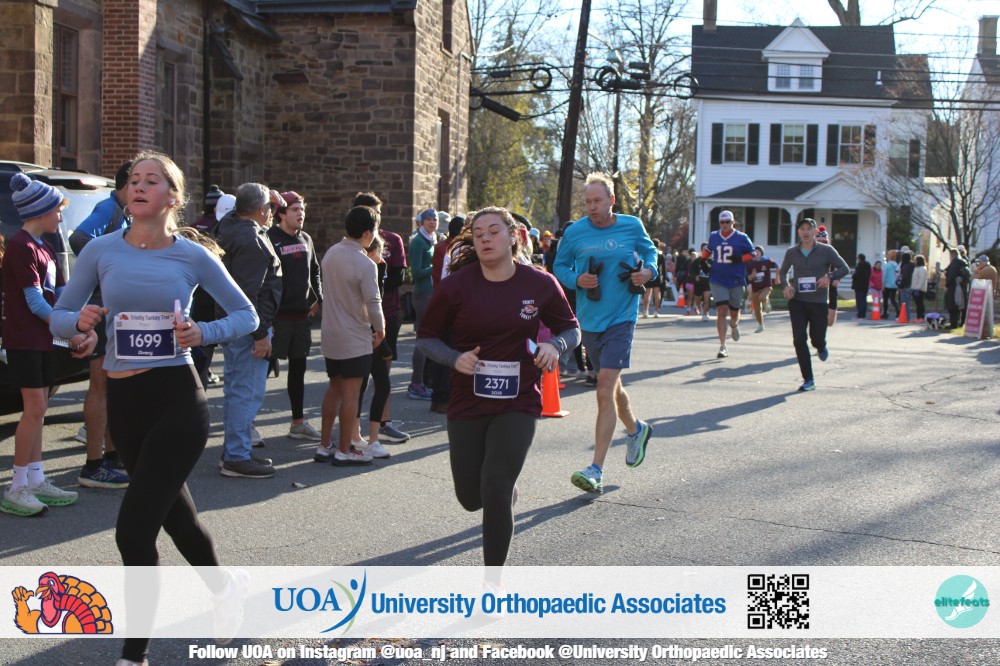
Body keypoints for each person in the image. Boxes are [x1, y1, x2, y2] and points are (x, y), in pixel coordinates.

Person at [50, 152, 259, 663]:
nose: (138, 186)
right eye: (133, 181)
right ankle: (226, 589)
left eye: (151, 180)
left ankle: (134, 655)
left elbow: (246, 315)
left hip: (176, 399)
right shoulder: (100, 250)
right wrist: (80, 327)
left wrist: (202, 331)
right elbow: (60, 316)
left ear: (173, 197)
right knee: (177, 520)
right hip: (124, 403)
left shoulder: (191, 256)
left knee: (133, 531)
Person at [416, 206, 580, 566]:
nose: (485, 239)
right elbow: (426, 337)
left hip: (519, 400)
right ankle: (503, 490)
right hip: (467, 399)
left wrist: (555, 346)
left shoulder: (539, 283)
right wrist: (454, 358)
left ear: (513, 237)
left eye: (493, 231)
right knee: (471, 498)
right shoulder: (456, 286)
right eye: (478, 234)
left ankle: (493, 583)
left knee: (495, 487)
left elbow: (571, 329)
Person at [552, 172, 657, 495]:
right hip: (590, 320)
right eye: (587, 202)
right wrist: (576, 280)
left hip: (621, 318)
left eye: (597, 201)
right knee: (611, 388)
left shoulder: (631, 226)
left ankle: (595, 469)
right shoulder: (575, 232)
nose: (592, 207)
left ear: (612, 200)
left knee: (603, 388)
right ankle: (636, 429)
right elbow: (559, 267)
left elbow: (651, 253)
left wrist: (647, 271)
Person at [2, 174, 86, 516]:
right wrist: (70, 331)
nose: (61, 217)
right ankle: (17, 487)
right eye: (57, 210)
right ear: (40, 211)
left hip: (42, 339)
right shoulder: (21, 246)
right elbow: (35, 302)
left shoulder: (45, 246)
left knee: (39, 409)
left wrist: (76, 325)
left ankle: (35, 479)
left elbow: (60, 295)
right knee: (34, 408)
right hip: (23, 339)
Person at [67, 160, 133, 490]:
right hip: (103, 306)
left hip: (117, 307)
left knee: (116, 386)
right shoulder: (108, 208)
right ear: (125, 184)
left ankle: (113, 456)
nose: (143, 189)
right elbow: (78, 237)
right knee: (101, 385)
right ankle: (94, 465)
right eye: (138, 182)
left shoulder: (123, 211)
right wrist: (108, 265)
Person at [215, 183, 284, 478]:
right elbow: (249, 294)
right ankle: (237, 455)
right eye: (268, 207)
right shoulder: (250, 239)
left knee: (236, 390)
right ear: (260, 209)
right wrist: (260, 334)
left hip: (235, 324)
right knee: (247, 392)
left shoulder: (230, 226)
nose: (271, 212)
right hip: (249, 327)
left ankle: (235, 450)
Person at [313, 206, 385, 466]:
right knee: (351, 393)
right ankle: (344, 449)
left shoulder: (331, 253)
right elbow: (373, 302)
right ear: (367, 233)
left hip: (331, 332)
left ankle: (324, 445)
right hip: (354, 334)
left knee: (334, 388)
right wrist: (380, 328)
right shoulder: (365, 263)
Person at [351, 192, 409, 444]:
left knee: (383, 374)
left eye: (377, 212)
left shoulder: (392, 240)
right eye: (369, 211)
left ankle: (384, 423)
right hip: (359, 318)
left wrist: (376, 275)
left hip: (389, 313)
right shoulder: (350, 246)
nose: (374, 216)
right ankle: (354, 431)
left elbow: (399, 277)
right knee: (357, 377)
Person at [266, 191, 323, 442]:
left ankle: (298, 424)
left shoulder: (306, 238)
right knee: (262, 371)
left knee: (298, 371)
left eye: (302, 209)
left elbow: (315, 271)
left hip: (301, 317)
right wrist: (267, 316)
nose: (301, 214)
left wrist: (318, 297)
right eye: (295, 209)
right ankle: (247, 425)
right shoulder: (269, 238)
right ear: (281, 214)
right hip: (277, 318)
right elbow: (265, 279)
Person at [779, 218, 850, 391]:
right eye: (802, 229)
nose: (805, 232)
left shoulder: (826, 250)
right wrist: (786, 286)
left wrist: (829, 277)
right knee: (799, 339)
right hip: (798, 301)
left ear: (815, 232)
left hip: (818, 302)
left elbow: (844, 268)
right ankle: (808, 379)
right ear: (798, 232)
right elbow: (783, 272)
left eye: (809, 229)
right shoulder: (792, 252)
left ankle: (821, 345)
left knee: (816, 338)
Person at [705, 210, 755, 359]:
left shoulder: (742, 237)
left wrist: (740, 259)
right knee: (721, 310)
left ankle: (734, 324)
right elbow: (708, 251)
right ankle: (723, 346)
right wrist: (702, 261)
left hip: (736, 279)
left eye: (727, 222)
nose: (725, 225)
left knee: (734, 311)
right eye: (722, 222)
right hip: (718, 278)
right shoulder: (714, 236)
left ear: (733, 222)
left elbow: (753, 253)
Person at [407, 208, 438, 401]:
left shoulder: (432, 239)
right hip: (422, 294)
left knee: (428, 339)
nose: (432, 222)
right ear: (421, 222)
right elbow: (416, 272)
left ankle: (424, 381)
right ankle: (416, 384)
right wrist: (436, 265)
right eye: (429, 219)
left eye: (435, 219)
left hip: (431, 293)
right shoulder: (418, 241)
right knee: (422, 340)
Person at [746, 245, 780, 332]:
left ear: (761, 253)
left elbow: (777, 266)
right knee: (756, 309)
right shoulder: (750, 263)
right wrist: (752, 275)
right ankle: (761, 325)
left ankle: (767, 304)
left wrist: (777, 278)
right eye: (755, 251)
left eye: (758, 251)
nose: (756, 253)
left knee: (762, 297)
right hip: (755, 288)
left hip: (766, 286)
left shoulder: (767, 261)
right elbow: (748, 278)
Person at [815, 226, 839, 326]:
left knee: (829, 322)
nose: (822, 244)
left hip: (830, 283)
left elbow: (840, 267)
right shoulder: (811, 253)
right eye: (819, 241)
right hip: (815, 285)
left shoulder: (831, 252)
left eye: (824, 242)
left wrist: (836, 278)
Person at [943, 247, 971, 329]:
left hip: (953, 287)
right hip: (961, 286)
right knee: (959, 305)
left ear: (952, 255)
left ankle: (953, 323)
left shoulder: (955, 263)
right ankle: (958, 322)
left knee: (952, 306)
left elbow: (951, 275)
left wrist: (947, 284)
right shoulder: (963, 262)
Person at [688, 243, 712, 322]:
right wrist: (695, 276)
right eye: (704, 249)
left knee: (707, 298)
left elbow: (714, 271)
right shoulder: (697, 261)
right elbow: (691, 270)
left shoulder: (711, 261)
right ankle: (699, 305)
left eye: (707, 249)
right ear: (701, 250)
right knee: (698, 299)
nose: (705, 250)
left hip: (707, 282)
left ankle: (705, 314)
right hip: (698, 283)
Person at [852, 253, 872, 319]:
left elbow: (856, 275)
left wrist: (853, 275)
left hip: (858, 285)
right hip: (865, 285)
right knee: (864, 299)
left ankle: (860, 314)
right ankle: (863, 313)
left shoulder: (859, 266)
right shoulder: (868, 265)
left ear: (859, 259)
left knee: (859, 300)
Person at [898, 248, 914, 320]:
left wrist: (900, 286)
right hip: (911, 285)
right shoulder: (913, 265)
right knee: (908, 303)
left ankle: (905, 317)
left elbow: (904, 277)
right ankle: (907, 317)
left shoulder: (905, 266)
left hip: (905, 286)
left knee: (904, 303)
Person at [882, 249, 899, 318]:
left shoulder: (886, 265)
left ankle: (885, 313)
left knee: (885, 299)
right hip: (894, 284)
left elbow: (884, 275)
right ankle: (898, 311)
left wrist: (882, 284)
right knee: (893, 299)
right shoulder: (896, 265)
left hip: (887, 284)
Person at [911, 255, 928, 322]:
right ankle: (918, 317)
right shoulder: (916, 268)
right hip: (915, 288)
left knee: (920, 303)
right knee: (917, 304)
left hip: (920, 289)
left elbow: (921, 279)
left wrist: (918, 288)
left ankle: (921, 316)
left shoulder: (922, 269)